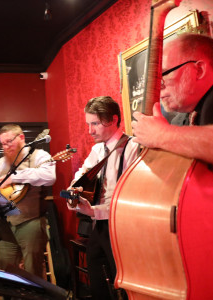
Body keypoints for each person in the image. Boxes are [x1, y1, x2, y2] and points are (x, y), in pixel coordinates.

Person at [67, 96, 139, 300]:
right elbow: (80, 177)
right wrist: (73, 194)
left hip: (122, 227)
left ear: (113, 119)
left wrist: (94, 211)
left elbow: (130, 197)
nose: (90, 130)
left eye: (95, 123)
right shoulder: (98, 150)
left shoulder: (133, 147)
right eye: (88, 124)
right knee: (98, 285)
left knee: (124, 285)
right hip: (98, 226)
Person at [131, 33, 213, 166]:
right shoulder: (179, 120)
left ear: (199, 70)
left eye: (163, 74)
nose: (158, 86)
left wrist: (161, 135)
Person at [0, 124, 56, 278]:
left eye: (9, 141)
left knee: (33, 271)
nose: (6, 146)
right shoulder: (2, 162)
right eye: (3, 144)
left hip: (31, 222)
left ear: (21, 137)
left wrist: (14, 177)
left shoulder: (39, 155)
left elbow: (50, 176)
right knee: (6, 270)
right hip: (6, 224)